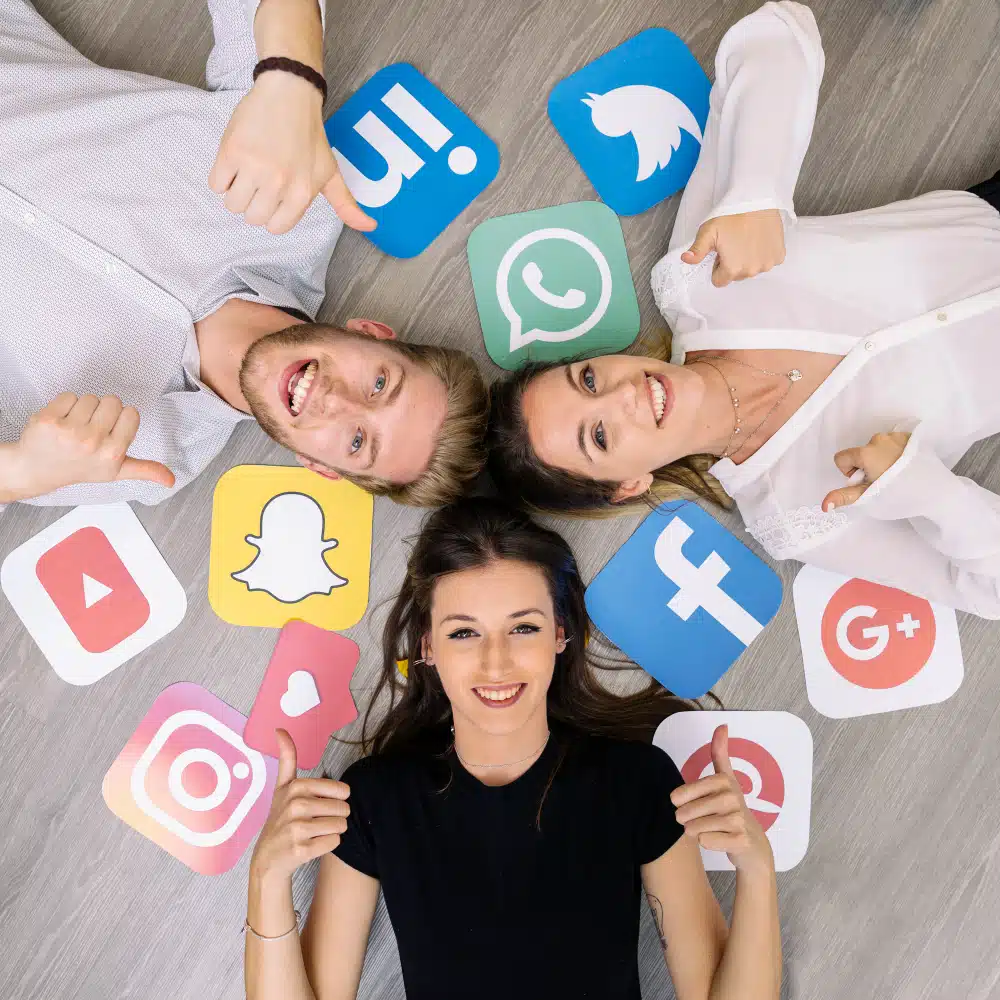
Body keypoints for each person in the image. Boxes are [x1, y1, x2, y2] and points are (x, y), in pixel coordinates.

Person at [487, 1, 1000, 617]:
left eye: (589, 378)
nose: (623, 395)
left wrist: (756, 193)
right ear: (629, 485)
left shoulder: (697, 275)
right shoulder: (797, 517)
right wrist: (925, 491)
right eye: (599, 435)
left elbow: (778, 31)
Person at [244, 497, 781, 1000]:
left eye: (523, 628)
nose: (496, 663)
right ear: (428, 646)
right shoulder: (375, 799)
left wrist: (757, 872)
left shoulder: (636, 782)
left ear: (560, 635)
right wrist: (266, 876)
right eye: (464, 633)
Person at [0, 0, 487, 511]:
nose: (336, 401)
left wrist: (16, 475)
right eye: (379, 383)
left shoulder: (144, 457)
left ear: (320, 467)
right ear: (371, 332)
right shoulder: (297, 202)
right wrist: (292, 76)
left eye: (357, 441)